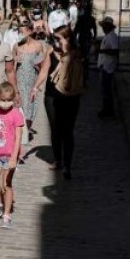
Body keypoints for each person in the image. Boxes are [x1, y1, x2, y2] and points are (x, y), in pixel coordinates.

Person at [33, 25, 84, 180]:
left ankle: (67, 165)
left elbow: (78, 70)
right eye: (54, 38)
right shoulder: (51, 51)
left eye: (58, 38)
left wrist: (65, 50)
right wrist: (35, 87)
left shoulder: (76, 53)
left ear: (67, 38)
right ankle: (58, 160)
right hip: (52, 96)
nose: (55, 41)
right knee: (55, 129)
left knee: (67, 131)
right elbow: (44, 70)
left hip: (71, 96)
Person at [0, 82, 24, 228]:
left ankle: (6, 215)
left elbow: (18, 137)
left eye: (9, 100)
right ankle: (0, 199)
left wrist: (14, 157)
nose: (6, 103)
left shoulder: (16, 114)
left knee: (7, 184)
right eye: (3, 99)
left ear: (13, 99)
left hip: (9, 155)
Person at [13, 20, 46, 139]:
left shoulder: (38, 45)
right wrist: (15, 59)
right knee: (20, 105)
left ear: (30, 31)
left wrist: (39, 84)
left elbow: (42, 66)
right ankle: (20, 131)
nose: (21, 34)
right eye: (19, 32)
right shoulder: (16, 46)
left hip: (32, 79)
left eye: (23, 32)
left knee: (31, 106)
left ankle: (27, 129)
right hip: (20, 79)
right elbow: (12, 67)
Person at [97, 15, 119, 118]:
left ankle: (109, 111)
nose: (103, 28)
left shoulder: (112, 37)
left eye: (105, 26)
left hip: (108, 67)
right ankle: (106, 109)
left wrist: (102, 51)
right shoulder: (107, 36)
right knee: (104, 90)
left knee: (107, 91)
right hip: (104, 66)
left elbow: (115, 51)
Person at [74, 7, 97, 84]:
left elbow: (76, 29)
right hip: (87, 37)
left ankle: (83, 72)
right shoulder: (91, 18)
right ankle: (85, 72)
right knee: (86, 55)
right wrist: (94, 37)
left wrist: (74, 38)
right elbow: (95, 29)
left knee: (82, 55)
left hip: (83, 37)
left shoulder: (81, 18)